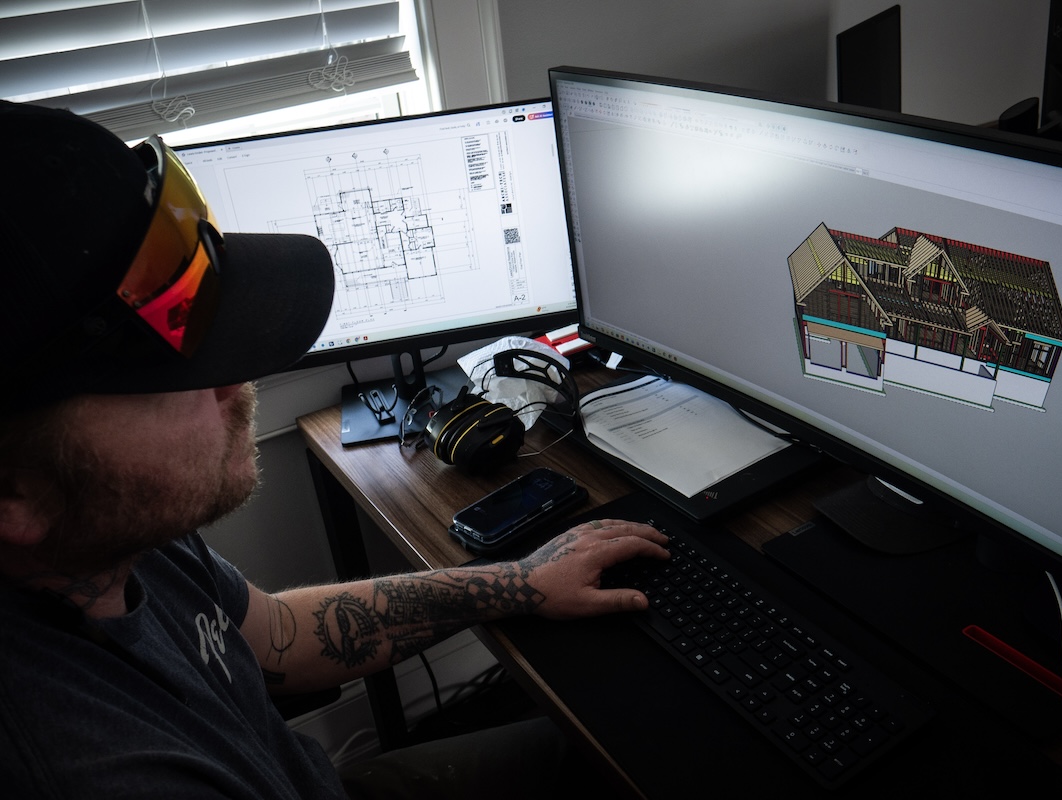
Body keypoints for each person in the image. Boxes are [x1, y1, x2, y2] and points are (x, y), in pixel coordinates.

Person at [0, 100, 669, 799]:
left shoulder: (106, 530)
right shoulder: (88, 767)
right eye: (174, 374)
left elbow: (276, 635)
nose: (238, 384)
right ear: (11, 490)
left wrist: (522, 582)